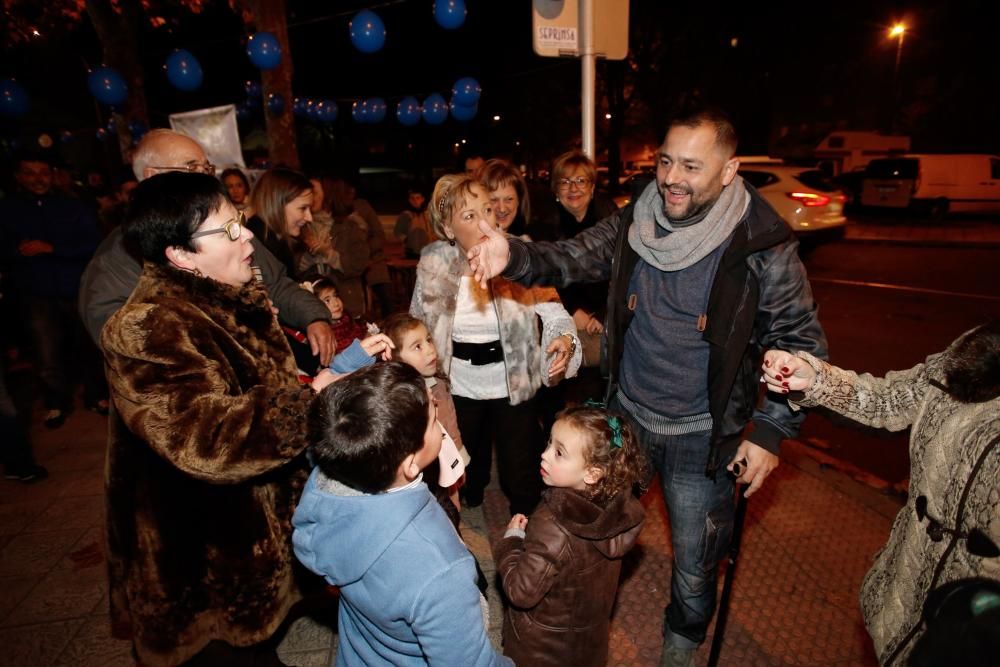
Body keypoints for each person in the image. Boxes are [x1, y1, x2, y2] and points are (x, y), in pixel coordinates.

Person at [466, 106, 828, 666]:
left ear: (729, 170)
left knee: (695, 561)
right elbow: (573, 256)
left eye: (691, 166)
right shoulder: (641, 214)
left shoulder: (762, 242)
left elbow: (800, 341)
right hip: (626, 418)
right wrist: (512, 253)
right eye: (664, 162)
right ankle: (580, 625)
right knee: (588, 533)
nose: (672, 179)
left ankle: (679, 649)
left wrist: (772, 430)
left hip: (703, 438)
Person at [100, 172, 339, 666]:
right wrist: (310, 402)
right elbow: (205, 438)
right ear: (181, 255)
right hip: (197, 554)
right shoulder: (148, 325)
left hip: (248, 527)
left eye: (241, 222)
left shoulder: (227, 294)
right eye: (229, 230)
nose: (248, 235)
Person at [760, 321, 1000, 666]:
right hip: (902, 596)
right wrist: (814, 380)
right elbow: (890, 400)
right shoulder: (981, 346)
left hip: (973, 636)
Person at [291, 362, 512, 667]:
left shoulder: (323, 481)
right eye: (434, 420)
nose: (436, 405)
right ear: (409, 464)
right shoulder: (440, 569)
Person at [78, 129, 335, 365]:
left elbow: (276, 283)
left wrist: (313, 317)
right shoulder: (120, 255)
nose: (204, 176)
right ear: (152, 176)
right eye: (192, 167)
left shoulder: (230, 228)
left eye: (207, 168)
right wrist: (234, 319)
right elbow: (118, 337)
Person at [410, 173, 581, 515]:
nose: (487, 221)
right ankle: (471, 495)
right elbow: (418, 323)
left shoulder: (520, 254)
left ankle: (524, 514)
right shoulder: (433, 264)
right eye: (470, 216)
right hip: (458, 382)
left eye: (488, 209)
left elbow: (556, 312)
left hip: (513, 379)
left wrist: (564, 339)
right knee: (465, 453)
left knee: (520, 460)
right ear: (448, 229)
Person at [495, 404, 647, 666]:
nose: (544, 455)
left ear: (592, 474)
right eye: (549, 443)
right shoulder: (619, 510)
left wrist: (511, 542)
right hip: (587, 644)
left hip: (540, 650)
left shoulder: (552, 526)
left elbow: (520, 591)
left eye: (559, 453)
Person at [0, 151, 106, 428]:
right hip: (36, 293)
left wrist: (54, 248)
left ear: (53, 175)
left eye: (43, 173)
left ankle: (96, 396)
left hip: (75, 288)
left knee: (88, 346)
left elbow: (93, 243)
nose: (38, 179)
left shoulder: (71, 207)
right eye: (30, 173)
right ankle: (56, 402)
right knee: (47, 352)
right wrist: (18, 251)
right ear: (19, 177)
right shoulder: (8, 210)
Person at [382, 312, 469, 520]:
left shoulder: (439, 386)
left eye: (429, 340)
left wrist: (458, 467)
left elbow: (451, 428)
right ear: (396, 358)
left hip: (444, 468)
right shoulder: (393, 400)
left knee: (450, 512)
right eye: (417, 346)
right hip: (413, 477)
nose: (430, 349)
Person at [298, 177, 370, 317]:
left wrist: (328, 253)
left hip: (345, 303)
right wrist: (309, 256)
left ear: (328, 194)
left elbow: (358, 264)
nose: (309, 196)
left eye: (314, 191)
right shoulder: (299, 226)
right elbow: (292, 268)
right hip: (314, 307)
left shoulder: (349, 226)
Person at [245, 167, 314, 278]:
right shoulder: (255, 245)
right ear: (278, 206)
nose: (310, 218)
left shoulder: (278, 242)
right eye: (303, 208)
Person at [312, 278, 365, 355]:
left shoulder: (348, 319)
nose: (336, 303)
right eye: (327, 300)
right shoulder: (324, 334)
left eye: (336, 296)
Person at [479, 158, 531, 238]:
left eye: (509, 199)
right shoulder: (469, 247)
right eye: (493, 200)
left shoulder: (525, 246)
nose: (502, 209)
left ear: (518, 201)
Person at [393, 187, 435, 259]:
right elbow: (397, 231)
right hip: (411, 252)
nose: (415, 201)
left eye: (418, 198)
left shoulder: (428, 215)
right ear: (409, 200)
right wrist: (406, 240)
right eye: (412, 198)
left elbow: (435, 231)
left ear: (422, 199)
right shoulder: (406, 215)